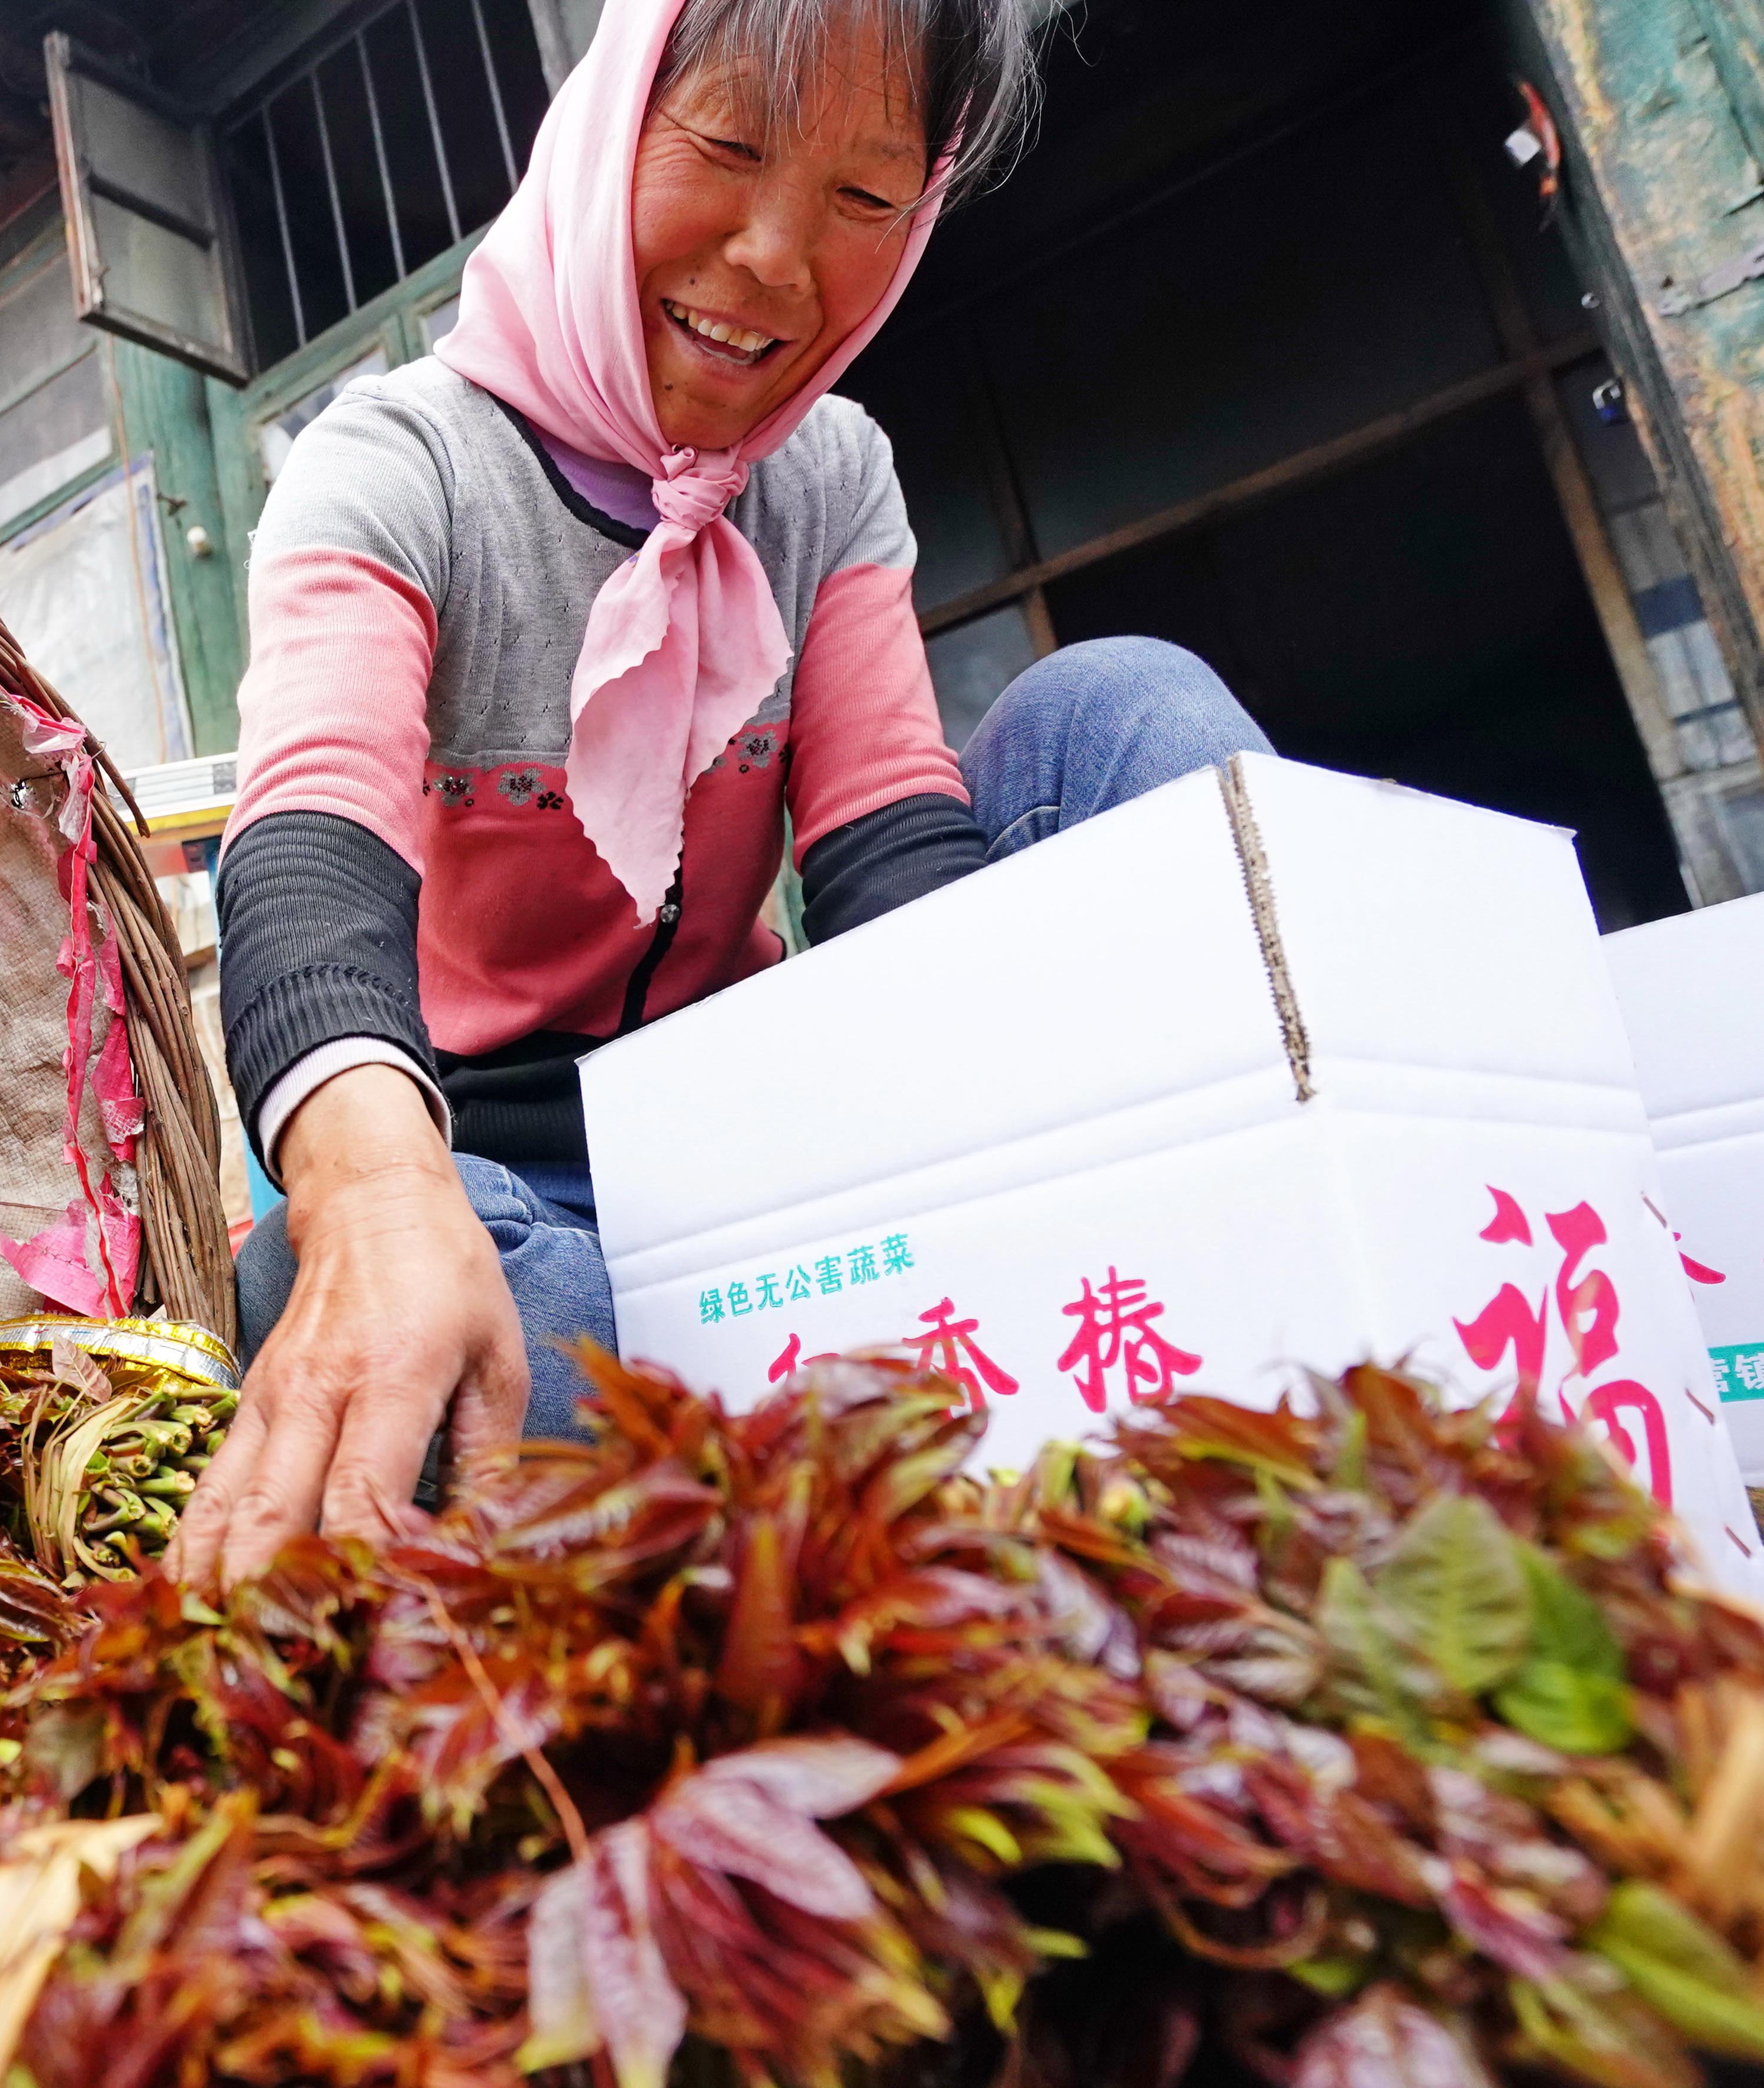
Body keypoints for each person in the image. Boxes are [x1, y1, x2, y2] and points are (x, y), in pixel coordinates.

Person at [166, 0, 1271, 1590]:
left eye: (863, 197)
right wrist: (371, 1193)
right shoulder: (398, 467)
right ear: (615, 120)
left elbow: (890, 840)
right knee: (519, 1357)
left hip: (745, 1126)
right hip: (460, 1153)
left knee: (1124, 706)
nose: (770, 258)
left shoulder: (831, 478)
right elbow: (309, 846)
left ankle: (1300, 1234)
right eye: (731, 147)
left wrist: (1005, 1176)